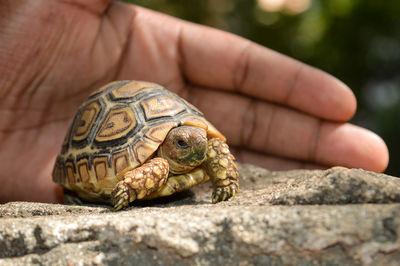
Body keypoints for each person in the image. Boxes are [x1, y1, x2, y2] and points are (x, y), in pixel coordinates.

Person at [0, 0, 388, 203]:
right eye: (183, 144)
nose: (196, 146)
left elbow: (211, 146)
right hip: (108, 150)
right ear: (167, 145)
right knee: (151, 174)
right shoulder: (155, 163)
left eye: (194, 141)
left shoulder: (201, 145)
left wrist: (224, 176)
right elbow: (151, 168)